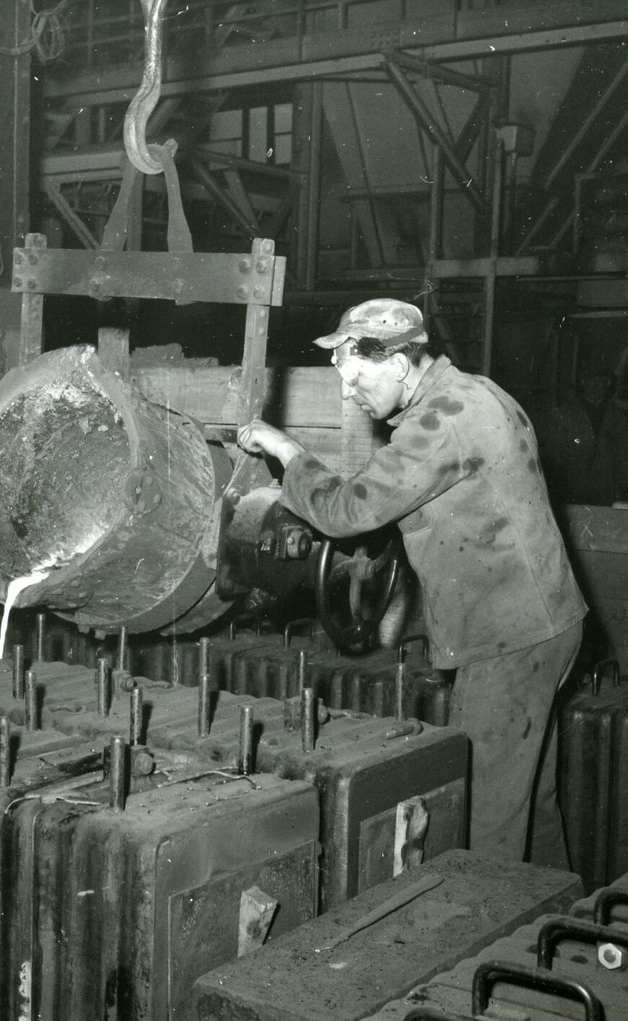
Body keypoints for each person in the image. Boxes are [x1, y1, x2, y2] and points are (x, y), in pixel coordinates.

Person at [237, 298, 587, 865]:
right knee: (530, 803)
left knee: (481, 819)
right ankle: (549, 929)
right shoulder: (477, 393)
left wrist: (287, 452)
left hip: (508, 641)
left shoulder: (442, 422)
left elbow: (348, 513)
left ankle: (488, 941)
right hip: (546, 623)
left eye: (356, 377)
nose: (349, 392)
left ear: (399, 364)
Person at [536, 369, 628, 505]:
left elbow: (622, 455)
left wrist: (624, 488)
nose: (597, 385)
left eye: (602, 381)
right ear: (583, 383)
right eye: (593, 380)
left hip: (604, 488)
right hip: (573, 486)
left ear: (608, 385)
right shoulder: (566, 412)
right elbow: (555, 451)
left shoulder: (616, 415)